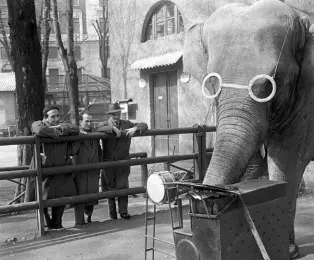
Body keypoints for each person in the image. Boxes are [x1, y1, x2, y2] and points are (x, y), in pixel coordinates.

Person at [29, 105, 79, 230]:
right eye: (53, 116)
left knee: (60, 196)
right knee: (43, 195)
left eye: (58, 116)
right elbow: (38, 130)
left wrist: (62, 128)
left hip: (61, 166)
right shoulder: (39, 124)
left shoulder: (62, 124)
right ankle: (46, 223)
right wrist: (55, 132)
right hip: (44, 167)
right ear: (45, 117)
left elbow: (75, 129)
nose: (56, 119)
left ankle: (57, 223)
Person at [96, 102, 148, 220]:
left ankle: (123, 211)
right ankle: (112, 214)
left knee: (123, 186)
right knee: (110, 188)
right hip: (109, 162)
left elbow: (144, 125)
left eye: (118, 114)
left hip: (124, 161)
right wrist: (112, 129)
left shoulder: (127, 123)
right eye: (113, 114)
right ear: (110, 115)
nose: (116, 116)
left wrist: (135, 128)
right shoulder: (105, 124)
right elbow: (97, 127)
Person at [72, 111, 102, 226]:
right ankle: (79, 222)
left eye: (91, 121)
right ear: (80, 122)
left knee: (92, 196)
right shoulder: (76, 135)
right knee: (80, 197)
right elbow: (73, 151)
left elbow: (99, 151)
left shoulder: (95, 135)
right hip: (80, 171)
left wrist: (99, 165)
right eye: (86, 121)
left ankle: (88, 218)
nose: (89, 123)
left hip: (93, 171)